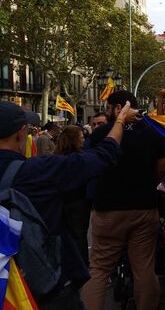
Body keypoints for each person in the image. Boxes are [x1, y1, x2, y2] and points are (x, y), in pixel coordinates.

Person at [0, 100, 137, 309]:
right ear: (21, 133)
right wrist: (120, 121)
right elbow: (101, 157)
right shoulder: (36, 171)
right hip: (42, 284)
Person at [81, 91, 165, 310]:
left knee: (99, 270)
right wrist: (148, 184)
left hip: (107, 210)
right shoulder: (153, 134)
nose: (107, 111)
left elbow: (89, 166)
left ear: (119, 107)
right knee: (144, 270)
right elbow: (162, 167)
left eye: (109, 107)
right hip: (143, 207)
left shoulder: (100, 134)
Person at [54, 125, 92, 266]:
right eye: (81, 138)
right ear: (74, 140)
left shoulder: (56, 156)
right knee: (80, 234)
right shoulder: (81, 157)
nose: (83, 141)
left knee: (65, 233)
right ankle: (81, 263)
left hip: (62, 199)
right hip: (79, 200)